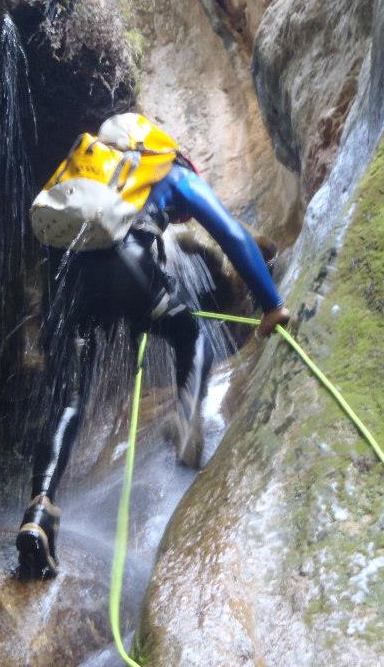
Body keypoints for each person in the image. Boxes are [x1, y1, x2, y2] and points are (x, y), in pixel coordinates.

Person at [17, 116, 290, 579]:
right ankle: (187, 422)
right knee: (189, 333)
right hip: (128, 265)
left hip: (65, 281)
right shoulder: (169, 168)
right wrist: (272, 306)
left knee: (68, 398)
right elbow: (232, 234)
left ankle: (39, 510)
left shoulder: (91, 170)